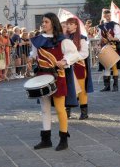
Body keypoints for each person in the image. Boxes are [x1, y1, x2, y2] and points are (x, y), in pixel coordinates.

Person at [28, 12, 81, 151]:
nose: (43, 24)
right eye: (43, 22)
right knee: (44, 109)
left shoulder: (63, 40)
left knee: (59, 108)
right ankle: (46, 139)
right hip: (41, 76)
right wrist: (30, 59)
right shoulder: (37, 40)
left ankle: (63, 139)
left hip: (58, 76)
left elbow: (75, 54)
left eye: (46, 21)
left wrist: (65, 60)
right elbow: (33, 54)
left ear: (53, 23)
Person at [65, 18, 94, 120]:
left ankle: (84, 112)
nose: (68, 26)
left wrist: (73, 58)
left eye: (71, 24)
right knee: (68, 89)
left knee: (81, 90)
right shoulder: (64, 38)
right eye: (67, 24)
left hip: (79, 67)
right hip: (67, 67)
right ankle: (67, 111)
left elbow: (84, 53)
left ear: (76, 26)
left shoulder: (81, 38)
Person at [98, 9, 120, 92]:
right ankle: (107, 86)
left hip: (113, 47)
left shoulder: (115, 25)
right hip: (105, 47)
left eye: (109, 15)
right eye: (106, 15)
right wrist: (100, 41)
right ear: (104, 16)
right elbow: (100, 37)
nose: (108, 17)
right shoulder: (101, 26)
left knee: (114, 66)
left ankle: (115, 86)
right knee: (106, 66)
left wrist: (112, 38)